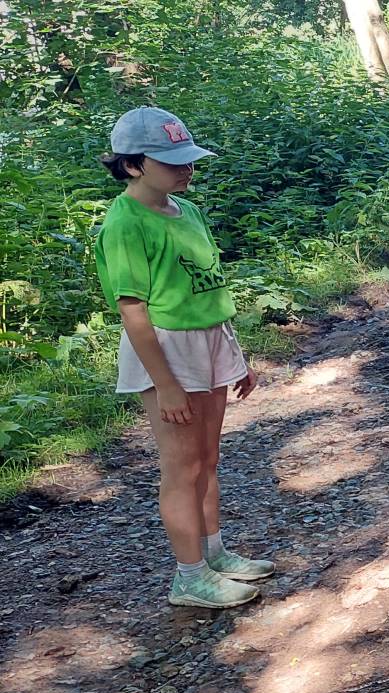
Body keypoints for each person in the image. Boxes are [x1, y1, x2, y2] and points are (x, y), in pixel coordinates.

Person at [95, 107, 275, 610]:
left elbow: (208, 290)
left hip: (209, 341)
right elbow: (132, 310)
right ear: (133, 165)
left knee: (207, 459)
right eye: (172, 162)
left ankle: (213, 554)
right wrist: (166, 384)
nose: (186, 170)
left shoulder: (187, 211)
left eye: (189, 160)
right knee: (182, 466)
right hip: (168, 350)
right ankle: (189, 577)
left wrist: (235, 356)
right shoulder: (125, 223)